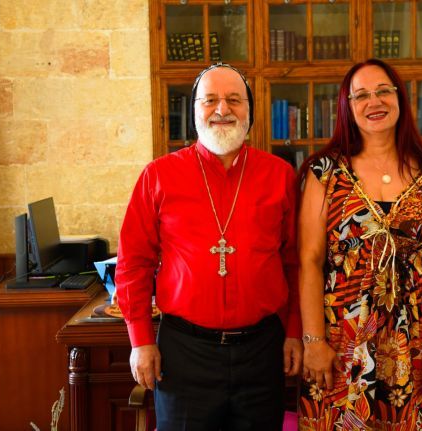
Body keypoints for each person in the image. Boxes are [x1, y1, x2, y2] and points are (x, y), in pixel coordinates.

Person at [115, 63, 303, 431]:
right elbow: (133, 263)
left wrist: (294, 331)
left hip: (262, 349)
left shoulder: (279, 175)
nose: (222, 110)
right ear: (194, 110)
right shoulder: (158, 176)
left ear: (249, 110)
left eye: (234, 100)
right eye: (210, 100)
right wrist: (139, 339)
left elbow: (294, 262)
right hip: (184, 352)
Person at [298, 59, 422, 430]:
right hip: (341, 343)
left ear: (400, 98)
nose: (375, 102)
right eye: (362, 95)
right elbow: (309, 261)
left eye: (384, 91)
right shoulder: (326, 173)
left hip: (415, 345)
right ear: (347, 106)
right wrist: (313, 341)